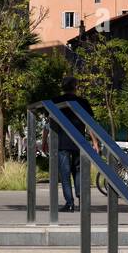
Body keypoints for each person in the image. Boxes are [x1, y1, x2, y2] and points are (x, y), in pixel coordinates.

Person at [49, 75, 95, 212]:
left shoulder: (56, 101)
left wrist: (48, 140)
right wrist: (95, 141)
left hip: (62, 141)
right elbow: (89, 124)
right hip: (79, 141)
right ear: (76, 86)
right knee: (78, 170)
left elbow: (50, 122)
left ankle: (69, 203)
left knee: (65, 173)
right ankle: (81, 199)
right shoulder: (83, 102)